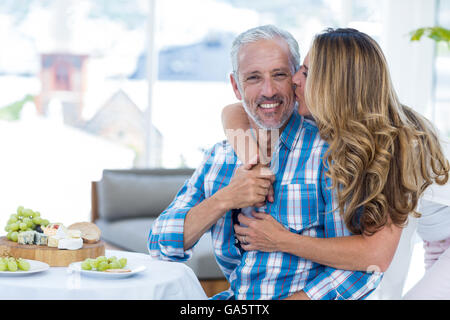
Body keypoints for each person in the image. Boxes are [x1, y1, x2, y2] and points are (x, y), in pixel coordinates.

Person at [148, 25, 382, 300]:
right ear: (236, 86)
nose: (268, 91)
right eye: (254, 78)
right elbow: (160, 244)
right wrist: (224, 199)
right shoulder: (219, 157)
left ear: (296, 79)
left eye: (279, 75)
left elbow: (359, 271)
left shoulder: (330, 153)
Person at [221, 27, 450, 295]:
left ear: (332, 84)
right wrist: (254, 161)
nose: (294, 79)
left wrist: (281, 240)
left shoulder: (399, 144)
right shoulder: (320, 111)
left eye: (305, 72)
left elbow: (376, 255)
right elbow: (235, 110)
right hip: (433, 235)